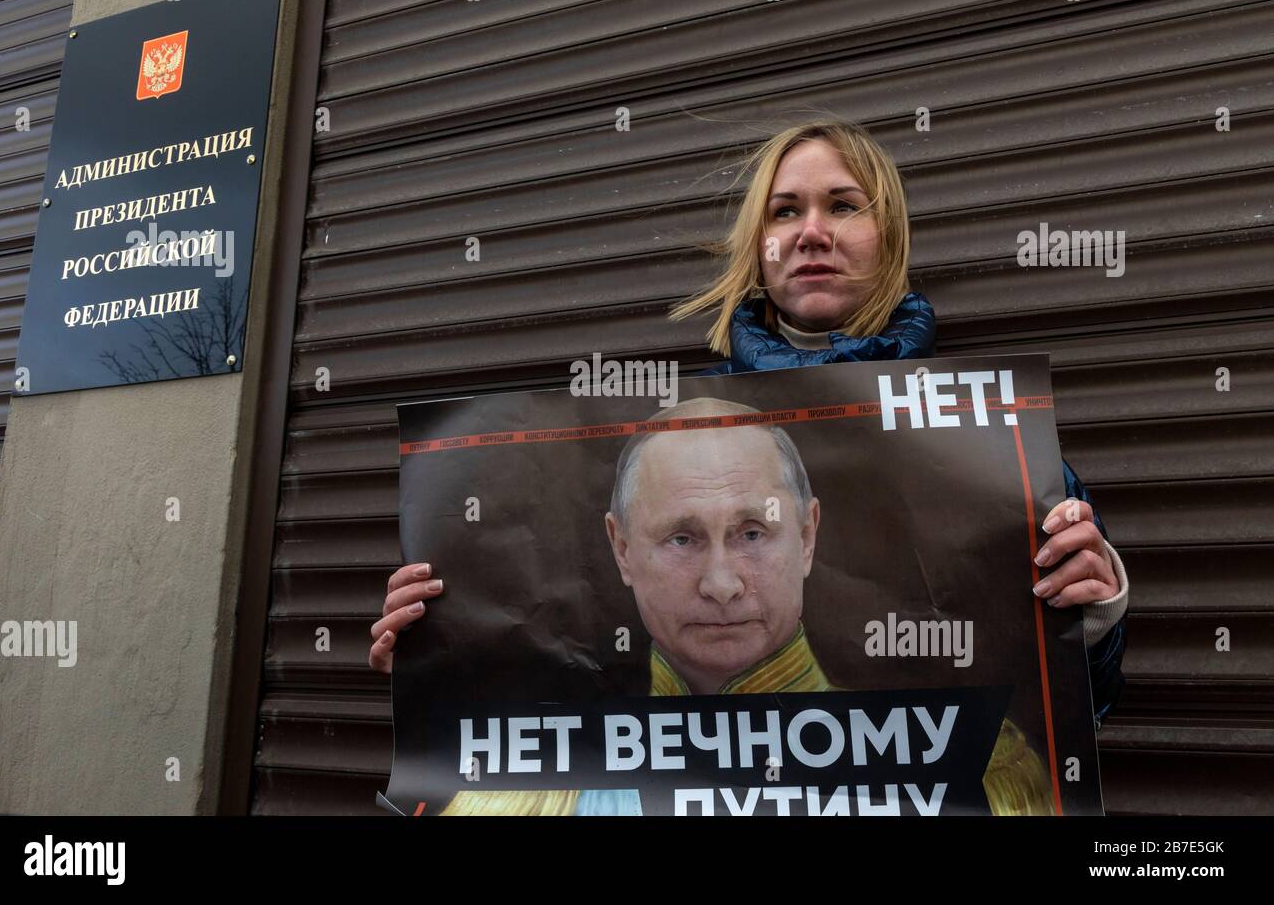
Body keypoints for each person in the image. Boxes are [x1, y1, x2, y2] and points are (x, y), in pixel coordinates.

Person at [371, 118, 1129, 785]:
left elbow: (1073, 720)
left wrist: (1094, 620)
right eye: (785, 209)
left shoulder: (992, 444)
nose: (811, 231)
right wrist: (437, 654)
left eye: (843, 205)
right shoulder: (655, 430)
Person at [426, 398, 1053, 816]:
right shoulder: (521, 787)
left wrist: (1088, 617)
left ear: (807, 536)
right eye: (682, 538)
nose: (721, 584)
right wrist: (428, 648)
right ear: (621, 549)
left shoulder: (975, 763)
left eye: (753, 532)